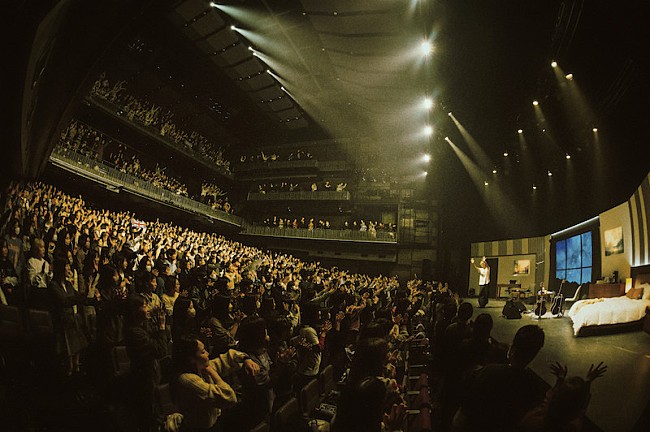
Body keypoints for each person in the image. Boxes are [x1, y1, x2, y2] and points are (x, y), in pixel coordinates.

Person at [454, 324, 547, 432]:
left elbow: (463, 414)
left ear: (512, 348)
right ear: (533, 355)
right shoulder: (533, 387)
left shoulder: (487, 372)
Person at [171, 335, 260, 431]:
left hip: (212, 424)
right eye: (203, 352)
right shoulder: (187, 380)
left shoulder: (200, 367)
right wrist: (214, 373)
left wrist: (246, 359)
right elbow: (229, 397)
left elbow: (227, 358)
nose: (208, 354)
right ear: (191, 359)